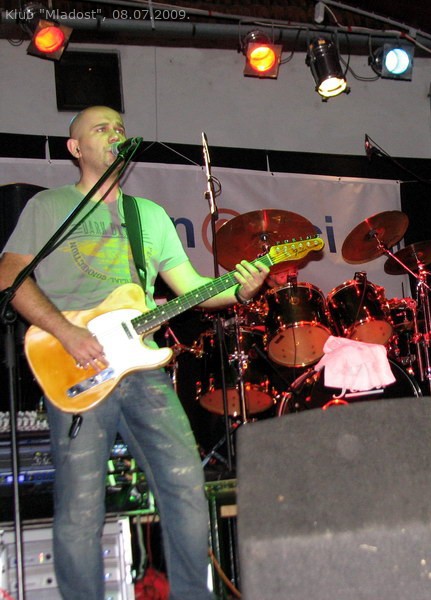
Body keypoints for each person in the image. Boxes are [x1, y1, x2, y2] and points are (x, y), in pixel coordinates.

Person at [0, 106, 270, 599]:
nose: (114, 134)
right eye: (100, 129)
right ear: (75, 148)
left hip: (141, 368)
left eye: (119, 128)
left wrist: (239, 289)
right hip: (74, 361)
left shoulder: (148, 215)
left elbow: (190, 288)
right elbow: (9, 276)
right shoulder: (49, 206)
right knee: (81, 505)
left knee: (185, 484)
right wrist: (66, 332)